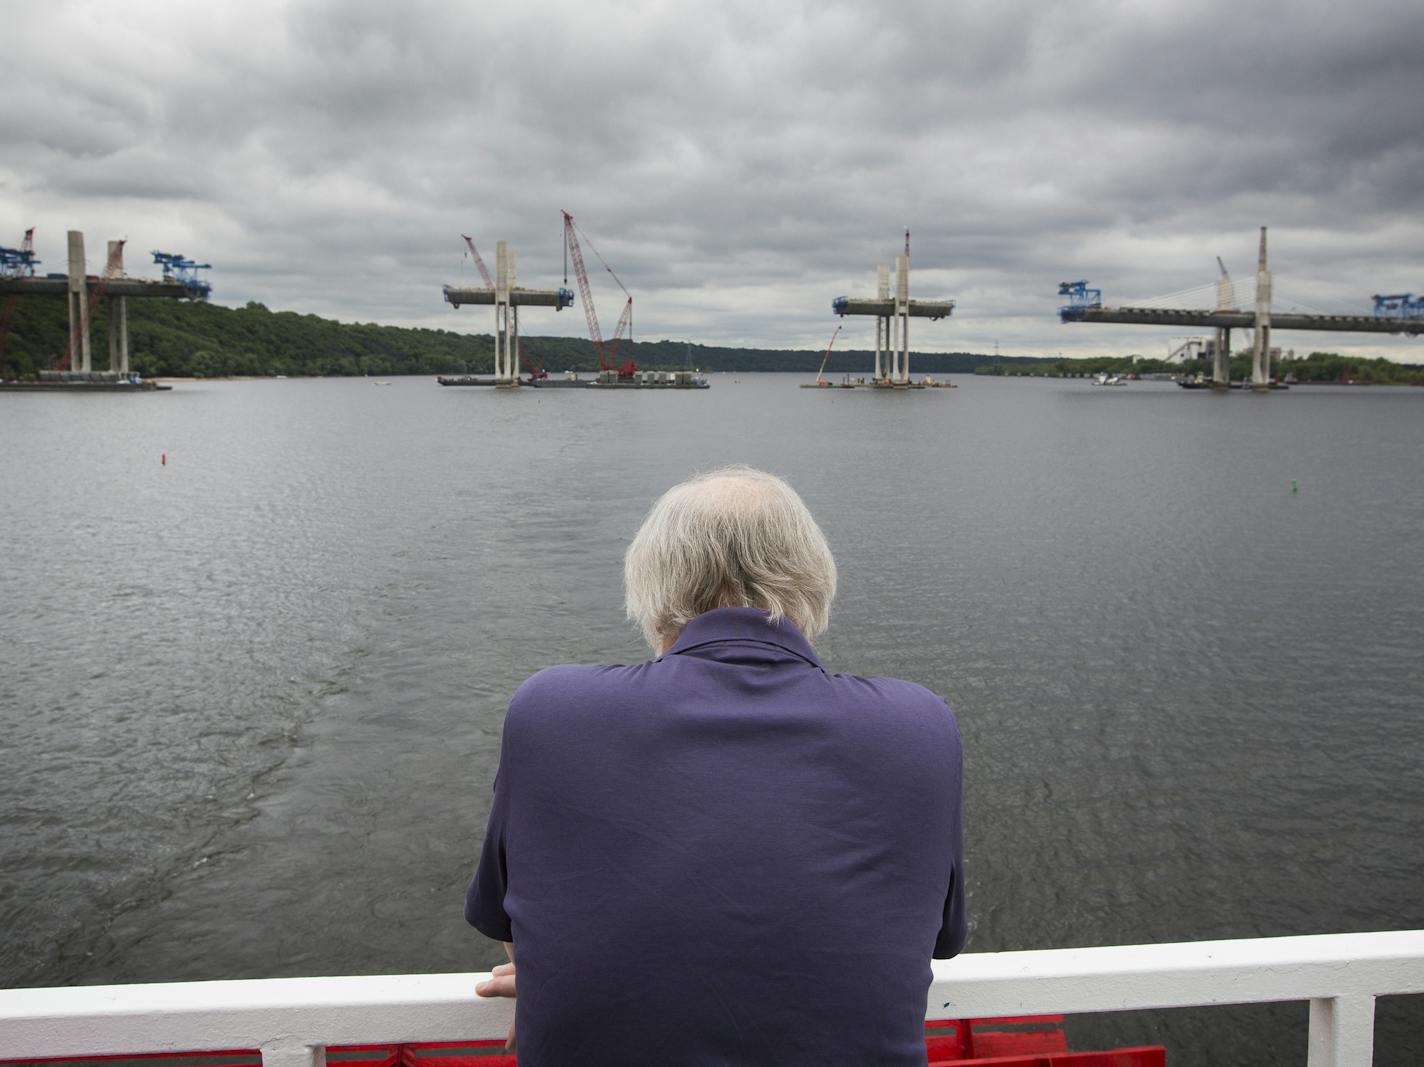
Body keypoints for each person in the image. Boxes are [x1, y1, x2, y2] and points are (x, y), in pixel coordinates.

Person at [467, 465, 966, 1065]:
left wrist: (558, 978)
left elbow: (512, 920)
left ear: (653, 595)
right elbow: (938, 939)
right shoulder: (918, 727)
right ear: (813, 590)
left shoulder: (550, 711)